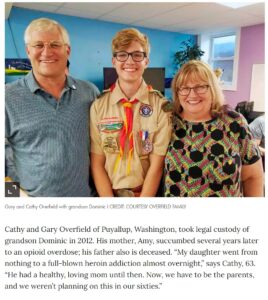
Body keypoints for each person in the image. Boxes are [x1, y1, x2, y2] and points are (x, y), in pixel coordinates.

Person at [5, 18, 99, 197]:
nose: (47, 52)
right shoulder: (7, 98)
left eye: (55, 44)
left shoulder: (89, 92)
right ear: (28, 51)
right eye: (38, 45)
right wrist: (15, 199)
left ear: (68, 50)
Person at [90, 28, 171, 197]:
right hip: (109, 194)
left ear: (146, 61)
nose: (129, 61)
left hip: (145, 195)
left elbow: (157, 166)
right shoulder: (98, 106)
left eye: (137, 55)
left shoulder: (161, 107)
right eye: (122, 55)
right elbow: (97, 163)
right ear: (114, 61)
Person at [164, 60, 263, 197]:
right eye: (184, 88)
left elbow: (253, 177)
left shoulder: (234, 122)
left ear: (213, 88)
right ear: (177, 91)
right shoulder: (168, 121)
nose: (192, 94)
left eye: (200, 87)